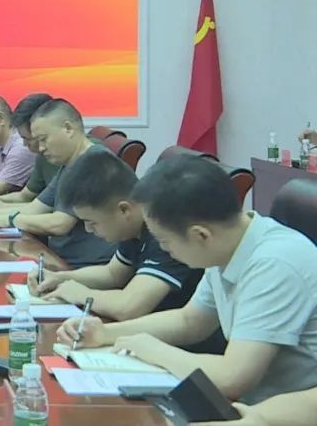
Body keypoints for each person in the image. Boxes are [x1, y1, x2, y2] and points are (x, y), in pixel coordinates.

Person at [56, 155, 317, 404]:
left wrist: (154, 350)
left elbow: (232, 378)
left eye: (164, 241)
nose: (163, 249)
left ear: (200, 235)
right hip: (250, 406)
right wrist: (105, 334)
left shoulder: (274, 263)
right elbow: (190, 321)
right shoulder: (228, 246)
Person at [30, 149, 203, 320]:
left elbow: (128, 307)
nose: (89, 229)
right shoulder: (133, 227)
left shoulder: (165, 232)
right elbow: (113, 274)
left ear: (124, 209)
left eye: (92, 222)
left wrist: (81, 294)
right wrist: (60, 278)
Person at [0, 99, 115, 268]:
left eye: (44, 139)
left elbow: (59, 224)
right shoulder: (69, 164)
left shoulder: (94, 161)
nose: (41, 148)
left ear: (68, 129)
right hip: (60, 256)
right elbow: (34, 208)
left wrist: (11, 219)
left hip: (84, 265)